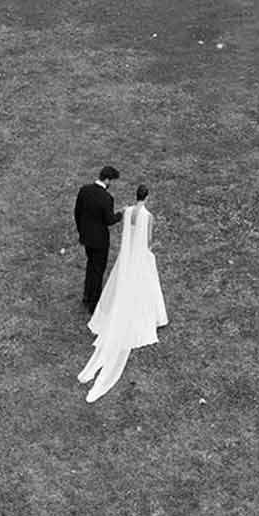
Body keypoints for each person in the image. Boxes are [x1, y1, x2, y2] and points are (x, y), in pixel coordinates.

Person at [79, 184, 167, 403]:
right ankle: (151, 317)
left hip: (127, 259)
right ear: (147, 197)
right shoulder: (148, 216)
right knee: (147, 284)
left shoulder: (127, 211)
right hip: (140, 257)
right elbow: (147, 241)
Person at [73, 166, 123, 314]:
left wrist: (81, 231)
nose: (111, 184)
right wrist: (121, 214)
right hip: (100, 241)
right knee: (98, 270)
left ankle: (87, 296)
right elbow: (109, 220)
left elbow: (77, 212)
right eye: (111, 181)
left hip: (87, 238)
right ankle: (94, 303)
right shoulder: (106, 198)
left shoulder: (84, 190)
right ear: (107, 179)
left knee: (90, 266)